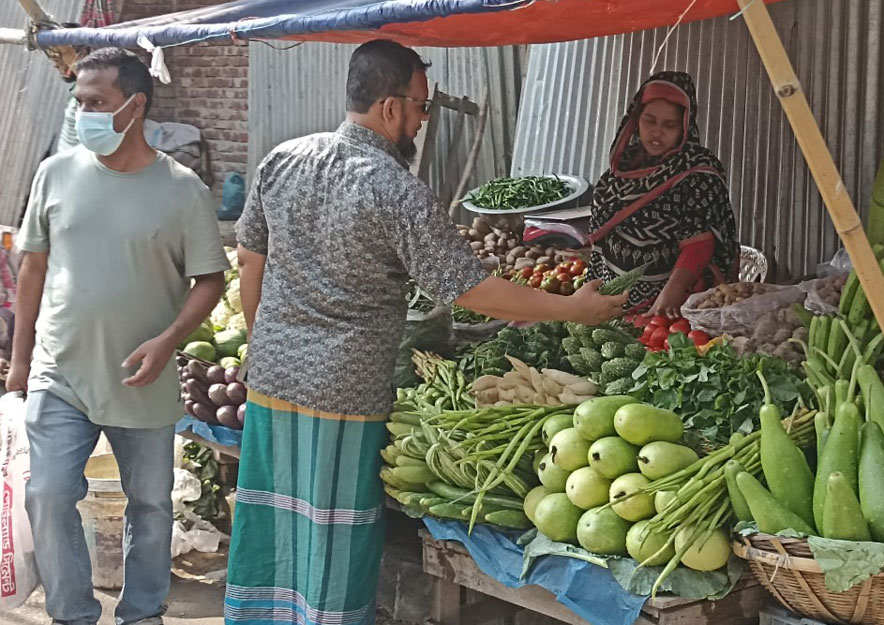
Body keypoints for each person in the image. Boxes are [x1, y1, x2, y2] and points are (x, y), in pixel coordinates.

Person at [227, 40, 626, 623]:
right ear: (391, 107)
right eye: (420, 108)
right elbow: (469, 290)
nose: (419, 120)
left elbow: (248, 258)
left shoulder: (283, 159)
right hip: (345, 390)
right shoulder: (395, 188)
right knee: (334, 530)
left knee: (274, 516)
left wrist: (263, 340)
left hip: (272, 378)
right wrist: (574, 310)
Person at [8, 48, 229, 625]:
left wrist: (169, 341)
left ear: (136, 107)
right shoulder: (56, 171)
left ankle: (143, 612)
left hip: (143, 381)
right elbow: (31, 266)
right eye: (79, 102)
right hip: (63, 373)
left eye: (97, 103)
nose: (84, 114)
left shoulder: (183, 191)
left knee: (151, 506)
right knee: (50, 494)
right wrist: (19, 360)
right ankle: (72, 613)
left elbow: (209, 281)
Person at [587, 71, 738, 317]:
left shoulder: (697, 172)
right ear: (636, 120)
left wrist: (671, 294)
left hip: (671, 307)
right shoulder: (623, 166)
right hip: (616, 300)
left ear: (685, 127)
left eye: (669, 125)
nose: (657, 132)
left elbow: (700, 245)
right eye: (649, 121)